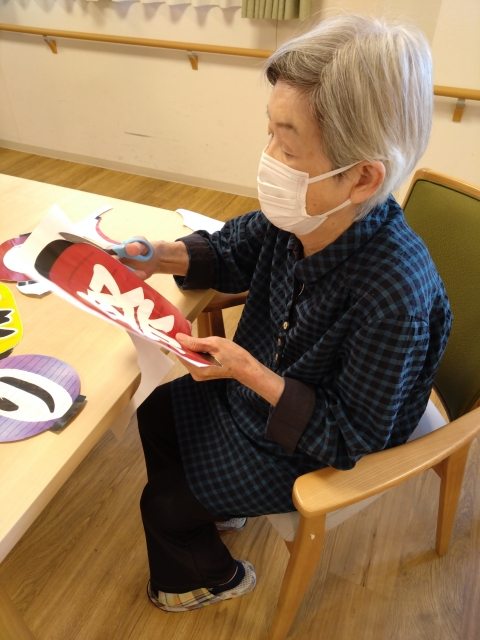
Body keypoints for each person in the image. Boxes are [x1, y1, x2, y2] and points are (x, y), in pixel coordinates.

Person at [122, 14, 452, 612]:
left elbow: (349, 438)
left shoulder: (394, 294)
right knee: (155, 411)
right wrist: (160, 256)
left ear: (362, 177)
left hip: (307, 443)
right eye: (269, 132)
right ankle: (217, 509)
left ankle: (210, 578)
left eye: (288, 145)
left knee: (162, 507)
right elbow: (231, 249)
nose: (268, 157)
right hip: (258, 396)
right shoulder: (300, 215)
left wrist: (248, 371)